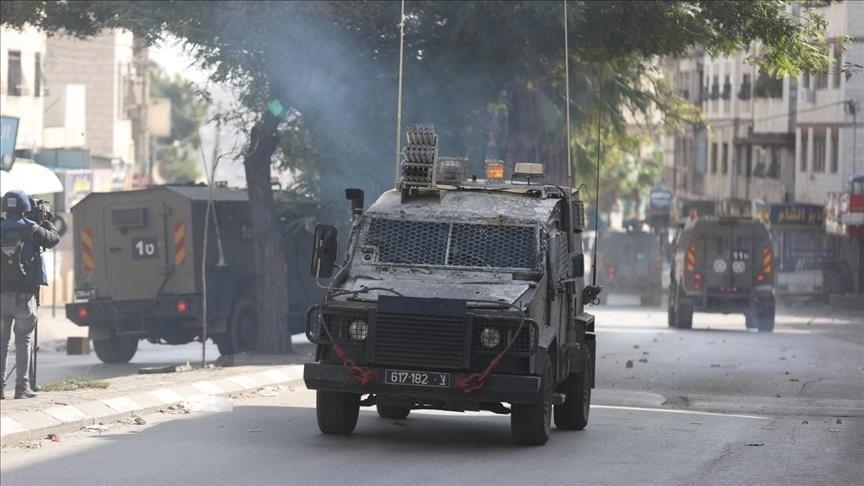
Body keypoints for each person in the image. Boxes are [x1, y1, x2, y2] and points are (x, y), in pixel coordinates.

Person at [0, 190, 60, 399]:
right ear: (25, 207)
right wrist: (45, 219)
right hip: (24, 296)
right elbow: (54, 239)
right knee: (23, 340)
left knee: (1, 342)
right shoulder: (32, 229)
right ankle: (22, 387)